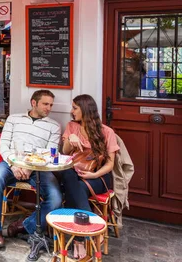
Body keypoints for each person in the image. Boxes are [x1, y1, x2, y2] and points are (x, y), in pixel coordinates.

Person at [0, 90, 62, 249]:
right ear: (34, 103)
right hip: (11, 163)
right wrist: (14, 165)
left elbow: (50, 152)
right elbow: (3, 145)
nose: (49, 108)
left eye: (51, 105)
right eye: (45, 104)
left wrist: (30, 167)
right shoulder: (14, 119)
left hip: (38, 168)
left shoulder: (54, 126)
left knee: (55, 198)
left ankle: (24, 226)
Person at [59, 94, 119, 259]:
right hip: (75, 173)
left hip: (98, 176)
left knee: (75, 187)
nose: (71, 111)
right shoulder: (72, 127)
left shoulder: (107, 132)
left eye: (75, 108)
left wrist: (93, 174)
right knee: (70, 176)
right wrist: (70, 139)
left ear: (85, 110)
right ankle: (88, 233)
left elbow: (110, 164)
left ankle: (78, 239)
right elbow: (64, 153)